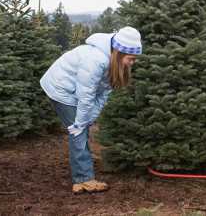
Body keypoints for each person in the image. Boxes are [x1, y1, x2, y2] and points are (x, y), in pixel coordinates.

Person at [40, 26, 142, 194]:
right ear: (120, 53)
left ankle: (82, 160)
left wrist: (89, 119)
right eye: (130, 59)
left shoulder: (114, 63)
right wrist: (80, 123)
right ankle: (83, 179)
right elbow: (86, 96)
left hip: (75, 91)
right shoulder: (96, 60)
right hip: (61, 88)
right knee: (77, 131)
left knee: (82, 127)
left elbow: (101, 96)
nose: (132, 63)